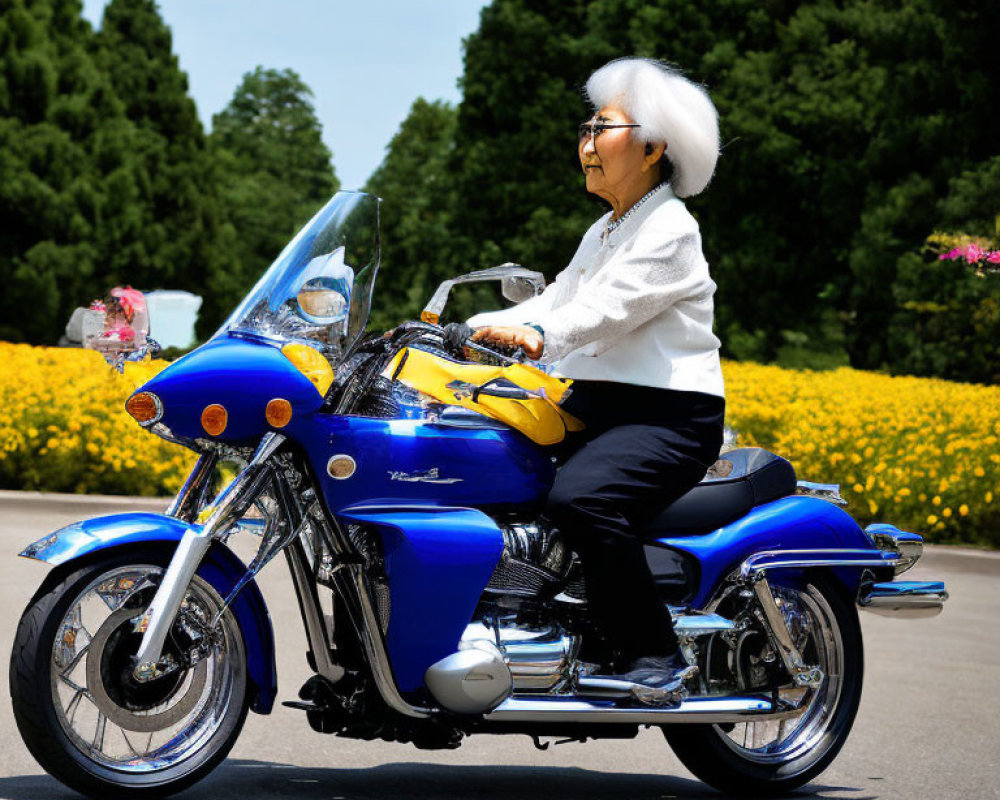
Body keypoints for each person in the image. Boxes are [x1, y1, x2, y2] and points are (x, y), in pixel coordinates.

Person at [468, 57, 725, 705]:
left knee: (582, 499)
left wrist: (537, 338)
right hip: (597, 408)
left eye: (601, 127)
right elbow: (556, 299)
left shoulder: (670, 230)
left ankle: (655, 654)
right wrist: (478, 326)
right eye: (583, 128)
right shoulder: (608, 229)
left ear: (654, 145)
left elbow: (603, 313)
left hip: (667, 418)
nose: (585, 142)